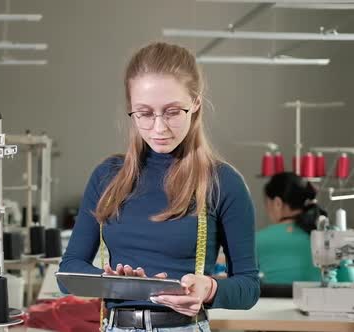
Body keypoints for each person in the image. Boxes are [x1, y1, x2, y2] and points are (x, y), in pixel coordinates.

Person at [59, 42, 259, 332]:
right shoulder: (106, 177)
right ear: (131, 110)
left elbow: (249, 287)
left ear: (196, 104)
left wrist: (210, 289)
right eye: (144, 113)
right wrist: (117, 284)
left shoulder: (222, 182)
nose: (159, 127)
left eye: (173, 111)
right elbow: (68, 272)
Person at [258, 172, 354, 284]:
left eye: (267, 204)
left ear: (277, 203)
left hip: (274, 301)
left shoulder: (257, 239)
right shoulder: (334, 234)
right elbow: (350, 282)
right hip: (324, 300)